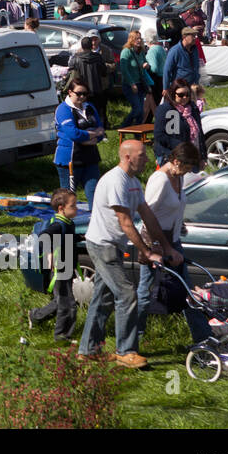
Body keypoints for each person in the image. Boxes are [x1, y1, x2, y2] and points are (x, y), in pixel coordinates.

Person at [78, 139, 169, 368]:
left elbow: (147, 215)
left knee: (103, 297)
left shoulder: (133, 183)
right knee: (127, 294)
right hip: (102, 245)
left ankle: (88, 351)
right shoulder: (115, 181)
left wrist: (166, 246)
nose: (147, 159)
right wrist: (146, 252)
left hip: (113, 246)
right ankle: (126, 352)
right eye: (142, 155)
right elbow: (126, 222)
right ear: (128, 157)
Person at [136, 142, 211, 342]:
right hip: (155, 243)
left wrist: (180, 224)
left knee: (187, 291)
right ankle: (132, 338)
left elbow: (172, 208)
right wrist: (156, 248)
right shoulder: (159, 180)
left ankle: (203, 338)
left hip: (174, 240)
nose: (188, 172)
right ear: (176, 161)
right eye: (186, 167)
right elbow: (147, 214)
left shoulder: (178, 178)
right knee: (145, 291)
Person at [27, 188, 79, 342]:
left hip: (68, 267)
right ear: (61, 208)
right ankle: (62, 336)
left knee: (61, 300)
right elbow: (44, 237)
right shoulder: (58, 225)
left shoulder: (68, 223)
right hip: (59, 268)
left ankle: (35, 316)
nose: (76, 209)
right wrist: (50, 255)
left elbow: (69, 239)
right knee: (68, 303)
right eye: (73, 206)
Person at [54, 81, 104, 205]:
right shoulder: (63, 110)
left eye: (85, 94)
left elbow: (101, 130)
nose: (82, 97)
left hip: (90, 158)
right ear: (70, 92)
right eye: (79, 94)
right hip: (70, 160)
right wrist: (92, 134)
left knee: (95, 194)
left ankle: (95, 221)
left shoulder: (90, 107)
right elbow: (73, 134)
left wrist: (91, 139)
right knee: (67, 199)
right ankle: (64, 223)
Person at [153, 77, 203, 166]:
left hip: (192, 156)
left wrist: (203, 156)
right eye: (181, 95)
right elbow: (159, 135)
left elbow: (200, 134)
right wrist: (182, 147)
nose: (185, 97)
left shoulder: (193, 108)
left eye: (187, 94)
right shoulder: (166, 109)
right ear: (173, 94)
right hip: (173, 157)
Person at [67, 32, 111, 123]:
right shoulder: (98, 57)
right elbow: (104, 72)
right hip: (97, 89)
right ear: (91, 46)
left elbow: (71, 69)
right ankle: (101, 129)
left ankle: (86, 127)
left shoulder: (76, 58)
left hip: (81, 90)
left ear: (82, 46)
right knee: (99, 111)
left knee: (83, 111)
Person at [118, 30, 149, 127]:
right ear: (131, 39)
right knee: (137, 109)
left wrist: (146, 65)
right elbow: (124, 70)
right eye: (136, 38)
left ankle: (138, 133)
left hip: (140, 83)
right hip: (129, 85)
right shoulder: (126, 51)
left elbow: (145, 62)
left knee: (141, 111)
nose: (139, 40)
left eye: (140, 38)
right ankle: (124, 127)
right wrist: (132, 84)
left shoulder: (141, 51)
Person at [163, 27, 201, 91]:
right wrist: (165, 88)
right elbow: (167, 70)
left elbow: (196, 67)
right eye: (193, 36)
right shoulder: (175, 50)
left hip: (193, 86)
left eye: (195, 35)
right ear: (184, 37)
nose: (195, 38)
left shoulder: (195, 50)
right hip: (179, 87)